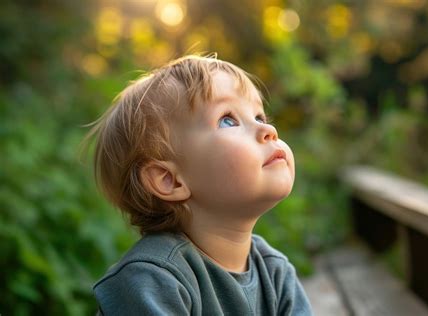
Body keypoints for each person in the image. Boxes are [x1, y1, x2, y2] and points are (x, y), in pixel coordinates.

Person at [87, 55, 313, 315]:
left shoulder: (275, 272)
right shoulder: (152, 280)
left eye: (260, 117)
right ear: (169, 180)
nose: (268, 130)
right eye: (228, 119)